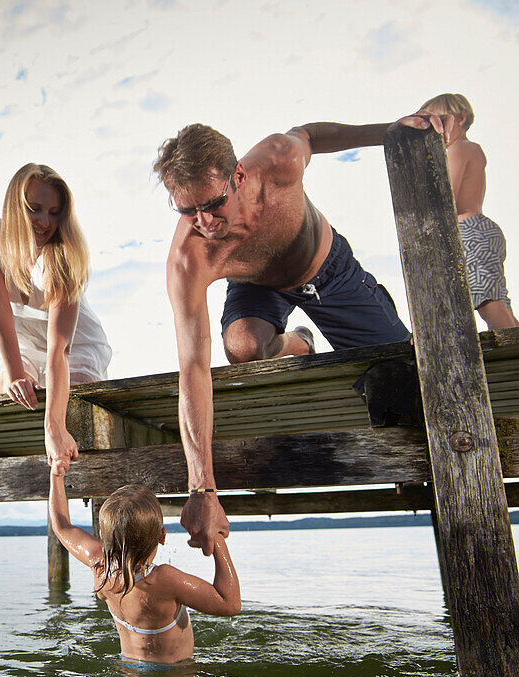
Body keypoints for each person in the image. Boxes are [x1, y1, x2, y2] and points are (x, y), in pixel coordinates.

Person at [152, 114, 452, 554]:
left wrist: (387, 129)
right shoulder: (188, 258)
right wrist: (203, 490)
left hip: (329, 271)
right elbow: (193, 368)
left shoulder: (279, 159)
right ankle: (298, 342)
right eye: (187, 210)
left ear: (238, 176)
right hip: (258, 286)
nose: (204, 221)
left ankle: (349, 322)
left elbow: (310, 135)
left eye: (213, 204)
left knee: (404, 367)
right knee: (244, 348)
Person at [0, 163, 112, 465]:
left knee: (72, 391)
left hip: (62, 333)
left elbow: (59, 348)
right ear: (14, 206)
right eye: (34, 209)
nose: (44, 221)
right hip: (14, 328)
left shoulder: (65, 255)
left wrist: (55, 426)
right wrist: (14, 374)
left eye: (53, 212)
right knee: (16, 385)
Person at [47, 460, 240, 665]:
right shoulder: (164, 580)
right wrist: (217, 538)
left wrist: (56, 476)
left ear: (105, 538)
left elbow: (62, 527)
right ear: (162, 536)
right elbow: (229, 604)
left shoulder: (100, 566)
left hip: (128, 668)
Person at [417, 93, 519, 330]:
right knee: (498, 301)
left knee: (489, 302)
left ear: (460, 119)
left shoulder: (460, 148)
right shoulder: (468, 149)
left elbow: (445, 196)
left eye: (441, 121)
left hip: (469, 229)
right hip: (477, 228)